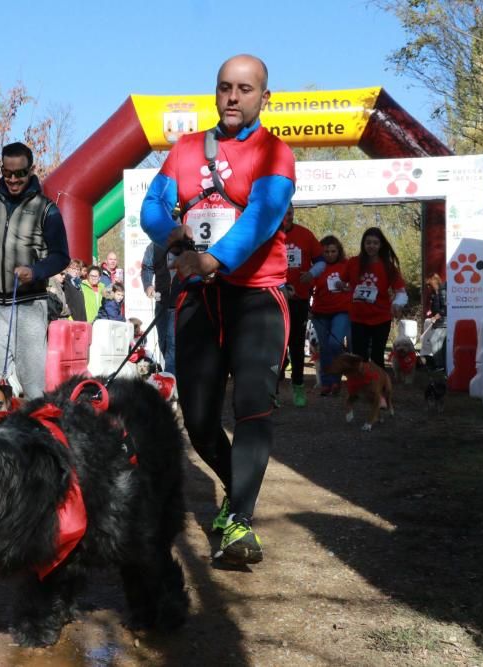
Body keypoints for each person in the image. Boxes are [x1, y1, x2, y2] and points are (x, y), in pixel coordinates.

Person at [141, 54, 295, 567]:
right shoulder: (185, 151)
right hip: (200, 300)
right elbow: (153, 205)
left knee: (252, 406)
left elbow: (264, 216)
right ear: (215, 92)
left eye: (246, 89)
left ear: (263, 98)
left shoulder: (276, 153)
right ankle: (239, 492)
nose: (234, 96)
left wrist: (213, 257)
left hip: (257, 296)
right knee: (201, 420)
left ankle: (240, 521)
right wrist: (174, 233)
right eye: (226, 87)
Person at [0, 142, 70, 399]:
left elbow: (61, 257)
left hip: (30, 304)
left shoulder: (48, 209)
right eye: (7, 173)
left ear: (31, 170)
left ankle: (34, 435)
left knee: (32, 383)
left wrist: (35, 271)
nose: (12, 179)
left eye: (19, 173)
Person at [343, 227, 407, 370]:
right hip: (358, 317)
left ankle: (380, 389)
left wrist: (397, 303)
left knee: (377, 356)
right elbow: (342, 281)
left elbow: (401, 291)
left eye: (375, 243)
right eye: (368, 243)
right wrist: (340, 285)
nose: (371, 246)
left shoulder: (388, 267)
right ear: (363, 244)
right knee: (359, 356)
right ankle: (360, 388)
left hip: (381, 317)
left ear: (381, 245)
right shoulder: (353, 262)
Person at [280, 204, 325, 406]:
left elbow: (322, 261)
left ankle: (298, 387)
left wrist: (311, 274)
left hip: (298, 299)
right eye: (283, 212)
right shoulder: (268, 234)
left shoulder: (305, 235)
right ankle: (272, 390)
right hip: (274, 298)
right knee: (276, 345)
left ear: (293, 214)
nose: (287, 216)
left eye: (289, 212)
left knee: (296, 345)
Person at [309, 235, 350, 396]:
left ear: (338, 251)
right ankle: (327, 383)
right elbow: (308, 286)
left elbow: (355, 282)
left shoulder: (346, 265)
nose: (330, 254)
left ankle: (337, 377)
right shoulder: (317, 267)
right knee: (324, 348)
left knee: (335, 344)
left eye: (333, 251)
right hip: (320, 312)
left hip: (341, 311)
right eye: (326, 251)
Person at [140, 242, 176, 373]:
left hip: (178, 303)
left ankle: (170, 379)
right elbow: (146, 268)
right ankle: (172, 373)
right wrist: (148, 285)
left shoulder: (183, 245)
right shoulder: (153, 246)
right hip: (160, 302)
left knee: (173, 343)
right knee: (163, 341)